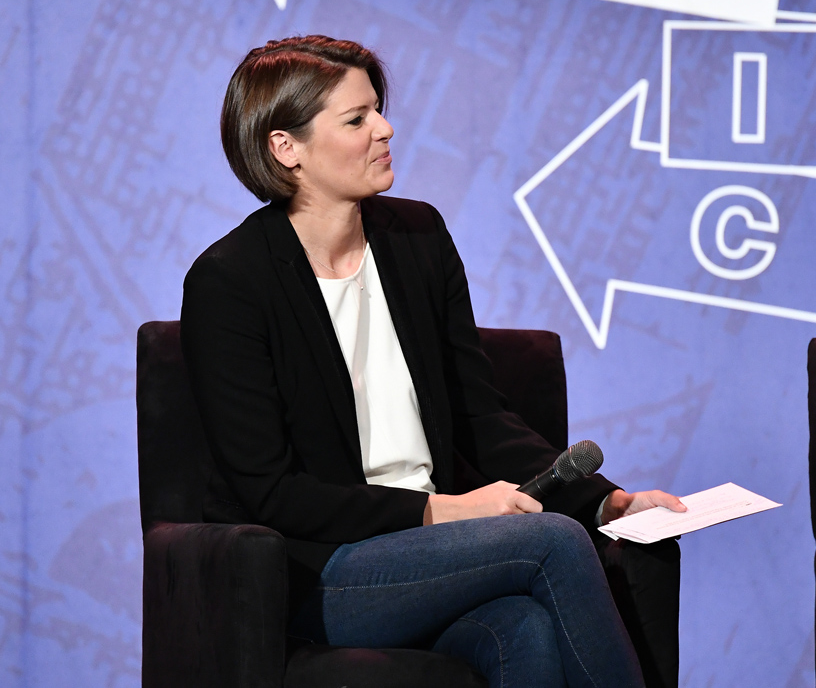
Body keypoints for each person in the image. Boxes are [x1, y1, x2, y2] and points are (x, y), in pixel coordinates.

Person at [181, 35, 684, 688]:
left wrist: (607, 501)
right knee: (552, 540)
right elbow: (271, 491)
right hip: (319, 569)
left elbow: (479, 413)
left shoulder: (417, 237)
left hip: (438, 550)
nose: (386, 129)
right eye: (357, 119)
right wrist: (436, 511)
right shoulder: (231, 282)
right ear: (287, 148)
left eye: (379, 110)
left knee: (523, 632)